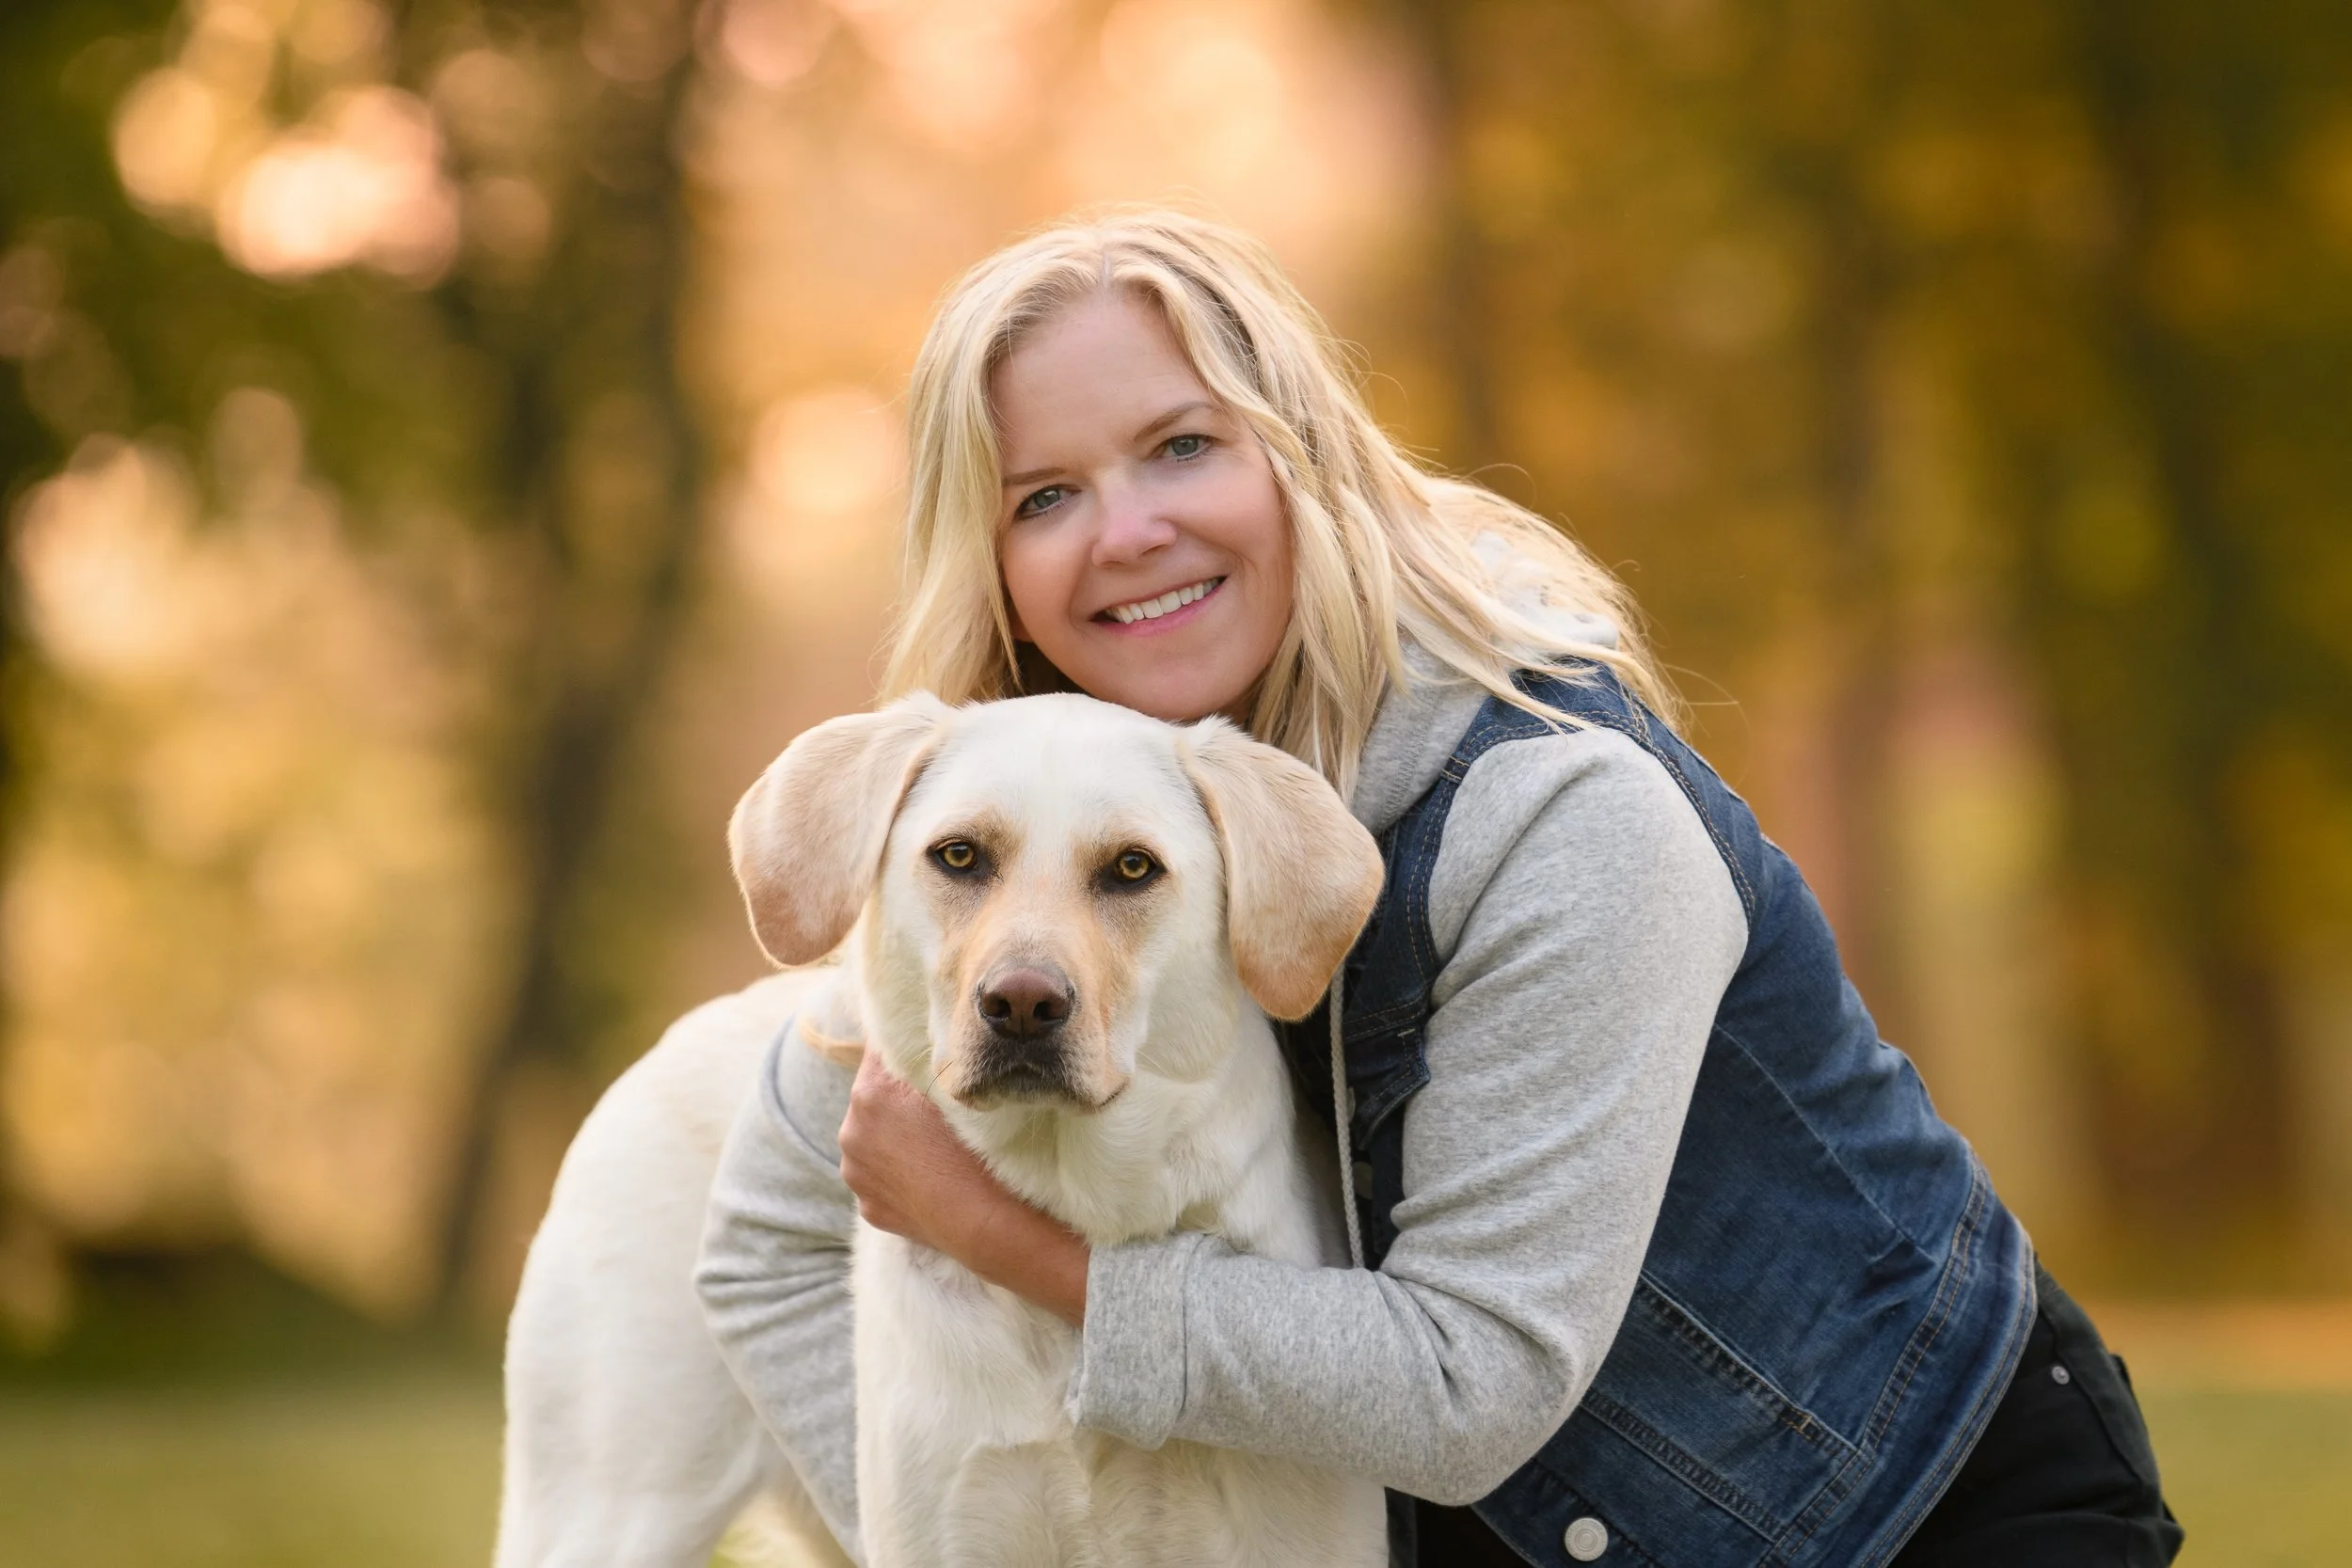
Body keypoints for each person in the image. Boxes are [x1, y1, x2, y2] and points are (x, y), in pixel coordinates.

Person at [693, 210, 2183, 1568]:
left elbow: (1471, 1381)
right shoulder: (1002, 830)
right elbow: (767, 1228)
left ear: (1304, 457)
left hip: (1901, 1513)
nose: (1128, 529)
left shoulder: (1563, 814)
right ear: (997, 558)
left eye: (1185, 447)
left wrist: (1005, 1240)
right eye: (1045, 495)